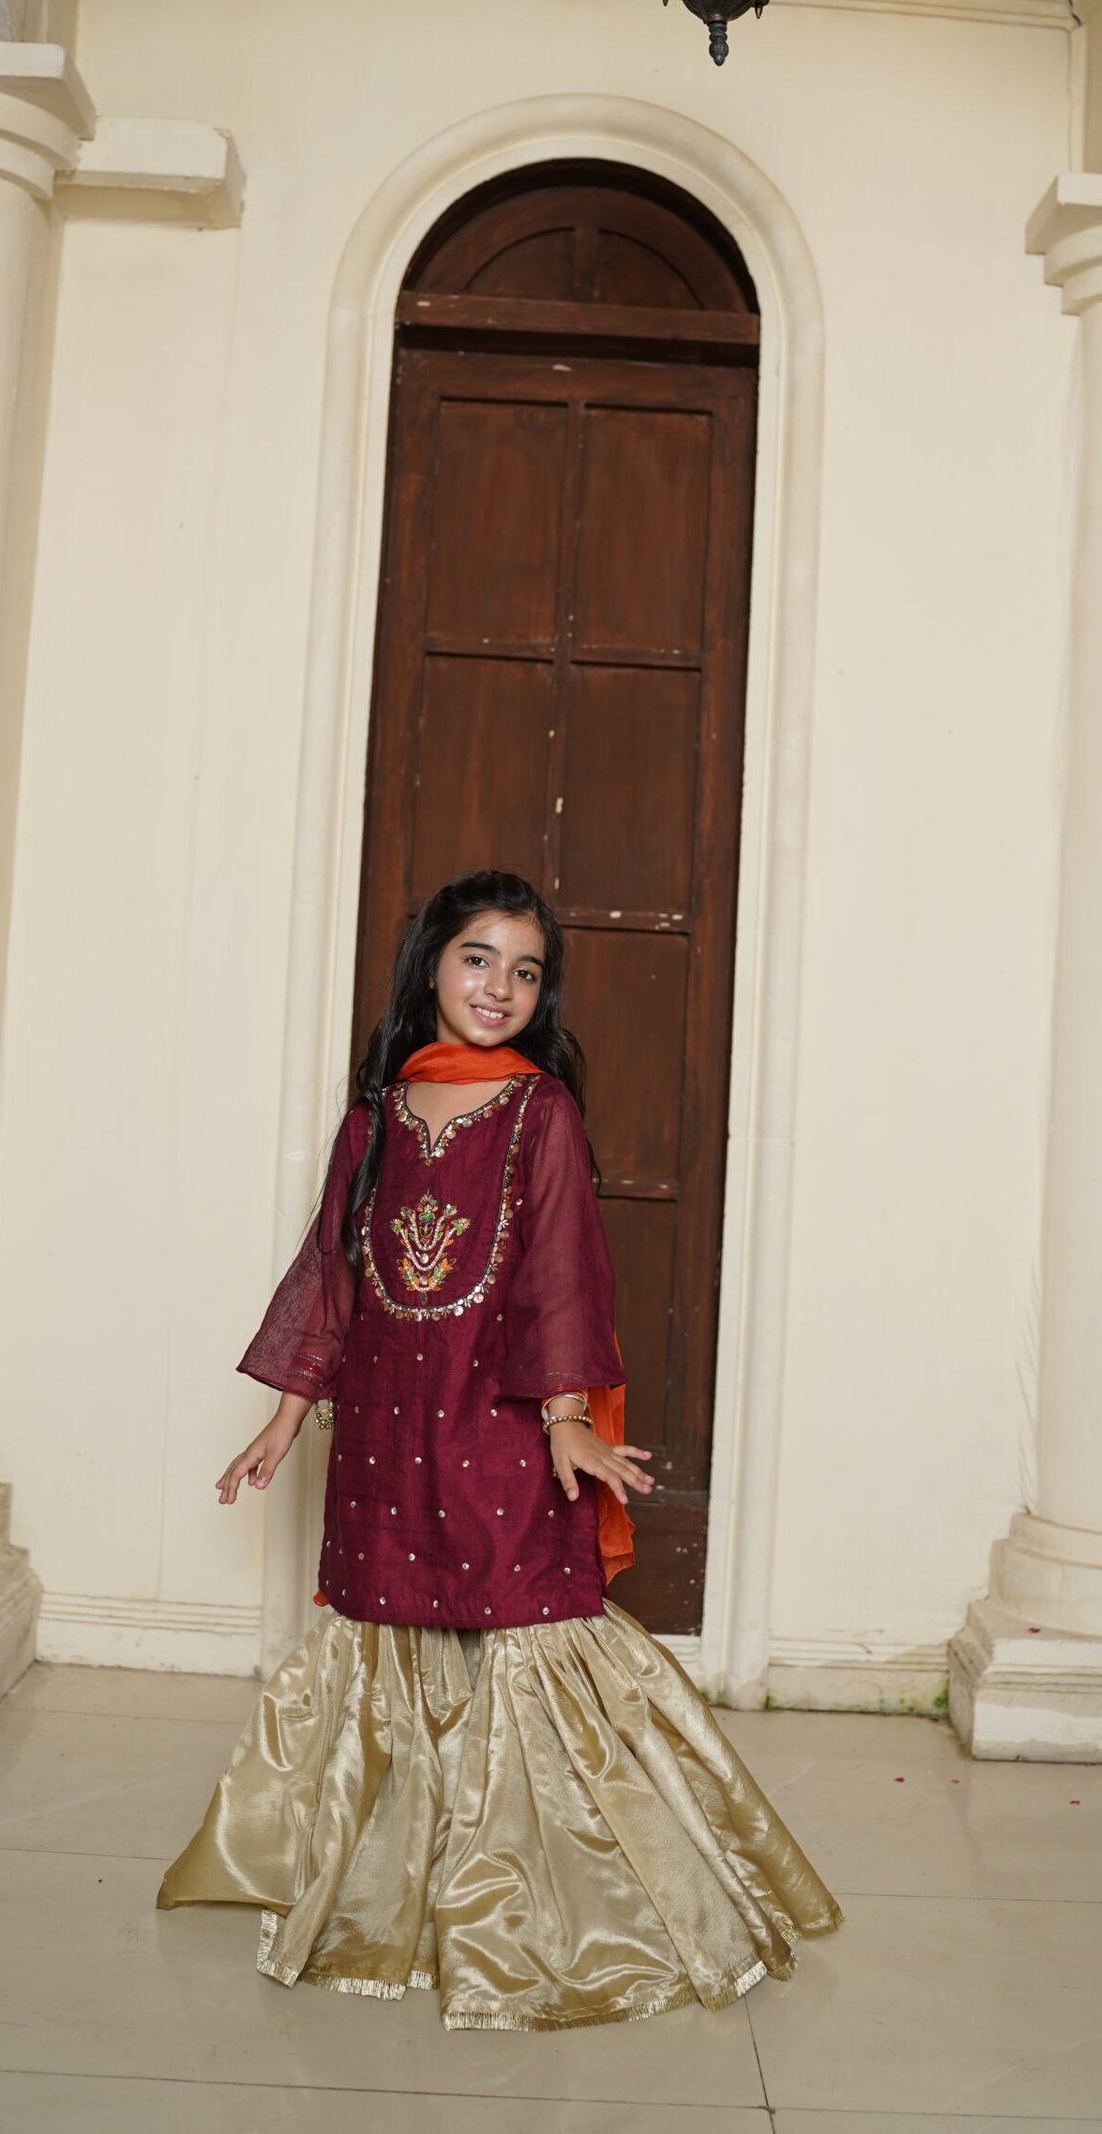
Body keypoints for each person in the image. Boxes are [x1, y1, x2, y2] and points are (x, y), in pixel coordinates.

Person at [158, 867, 842, 2031]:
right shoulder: (375, 1116)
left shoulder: (540, 1113)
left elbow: (561, 1269)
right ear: (430, 964)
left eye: (525, 972)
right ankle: (390, 1891)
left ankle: (563, 1906)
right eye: (478, 958)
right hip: (385, 1422)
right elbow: (334, 1271)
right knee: (396, 1626)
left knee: (522, 1629)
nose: (499, 986)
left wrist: (567, 1415)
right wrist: (285, 1415)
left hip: (500, 1415)